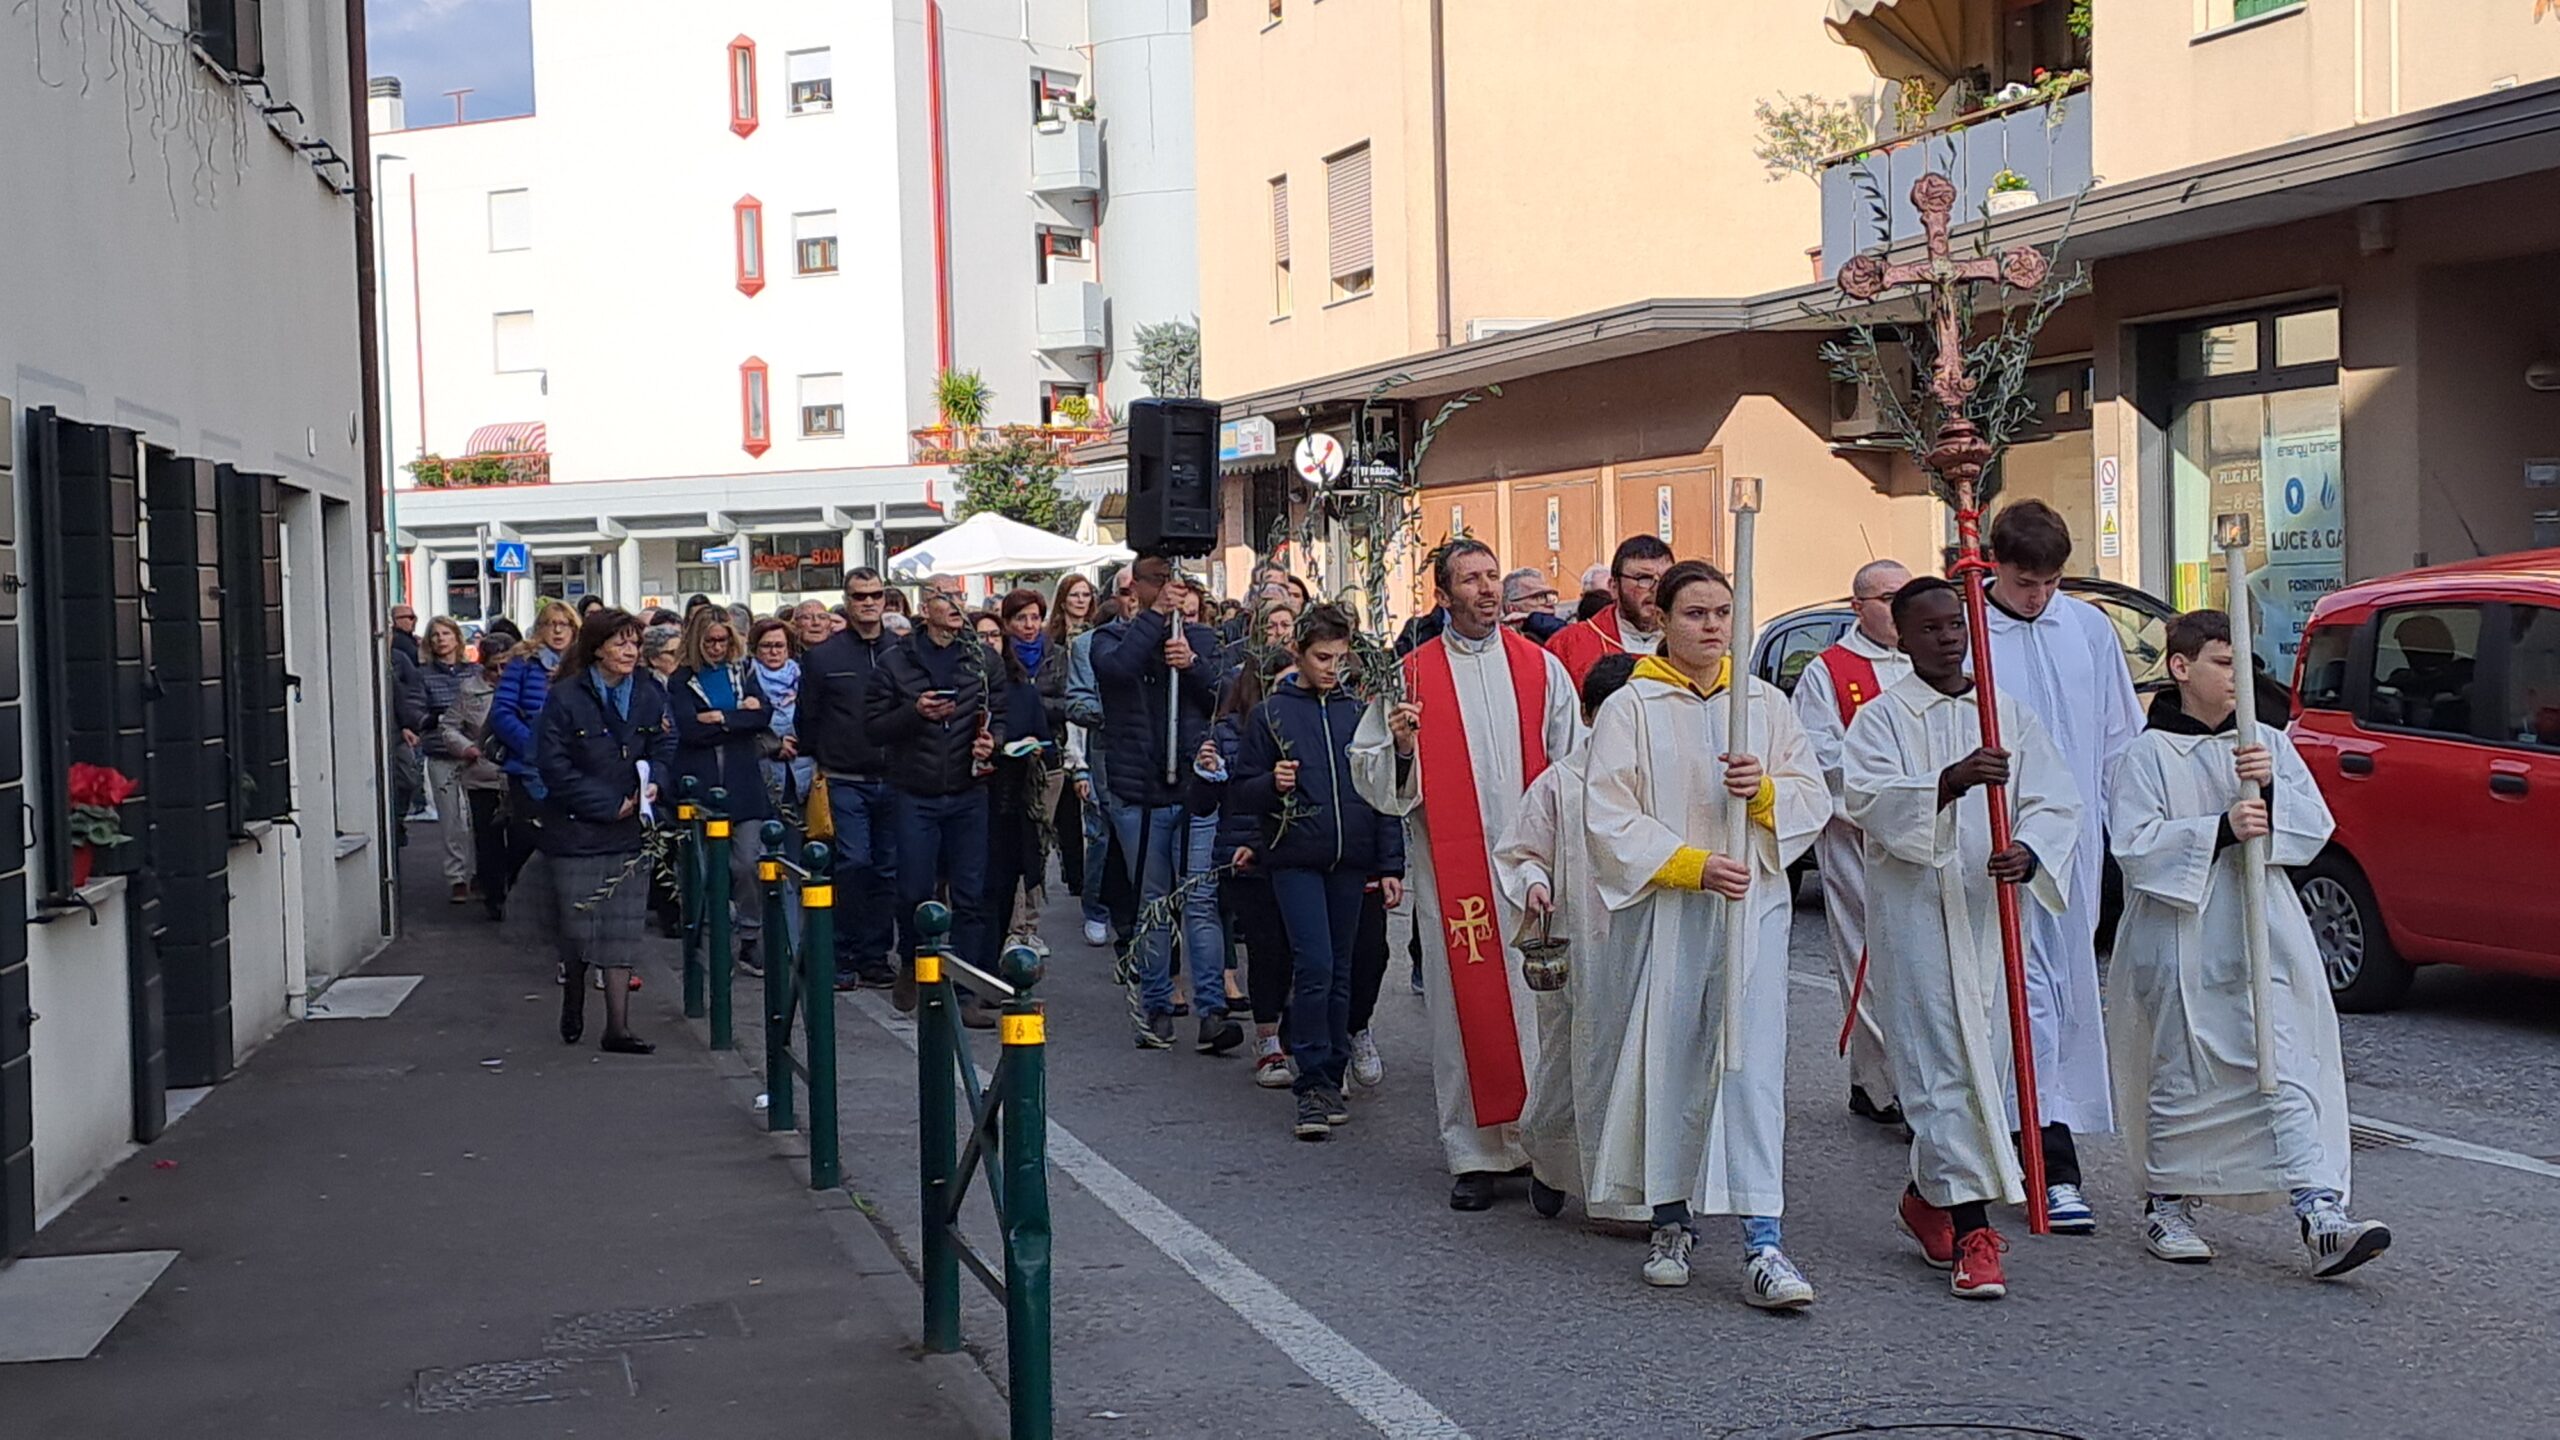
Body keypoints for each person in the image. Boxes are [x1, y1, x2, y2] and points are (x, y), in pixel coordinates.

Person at [2106, 610, 2388, 1277]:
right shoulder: (2146, 755)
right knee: (2186, 1067)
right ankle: (2168, 1202)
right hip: (2183, 935)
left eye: (2242, 663)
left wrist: (2266, 789)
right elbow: (2135, 847)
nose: (2238, 677)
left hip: (2262, 929)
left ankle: (2321, 1215)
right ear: (2181, 668)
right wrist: (2220, 830)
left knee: (2284, 1063)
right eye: (2222, 663)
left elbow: (2312, 827)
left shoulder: (2265, 743)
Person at [1574, 563, 1826, 1304]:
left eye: (1723, 612)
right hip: (1669, 914)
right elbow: (1608, 815)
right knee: (1670, 1058)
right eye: (1695, 613)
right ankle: (1670, 1218)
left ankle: (1764, 1239)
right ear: (1663, 619)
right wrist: (1688, 864)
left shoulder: (1765, 707)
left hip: (1750, 915)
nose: (1712, 626)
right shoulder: (1631, 708)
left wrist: (1768, 794)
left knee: (1747, 1069)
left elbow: (1811, 794)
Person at [1843, 577, 2082, 1301]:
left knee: (1985, 1063)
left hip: (1988, 914)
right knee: (1941, 1067)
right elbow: (1867, 800)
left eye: (1956, 625)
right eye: (1932, 628)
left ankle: (1929, 1196)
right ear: (1903, 638)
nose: (1949, 638)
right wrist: (1947, 782)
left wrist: (2031, 850)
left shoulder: (2004, 712)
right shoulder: (1881, 719)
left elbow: (2054, 798)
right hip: (1917, 919)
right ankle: (1976, 1231)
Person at [1352, 539, 1583, 1211]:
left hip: (1537, 872)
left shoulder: (1542, 670)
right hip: (1457, 877)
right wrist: (1400, 747)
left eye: (1491, 578)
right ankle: (1476, 1153)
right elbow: (1375, 779)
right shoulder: (1411, 679)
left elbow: (1574, 768)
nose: (1485, 590)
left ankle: (1547, 1153)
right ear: (1443, 597)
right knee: (1463, 1011)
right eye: (1471, 581)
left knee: (1544, 1015)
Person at [1979, 499, 2142, 1233]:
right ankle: (2034, 1153)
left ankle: (2045, 1142)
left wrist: (2129, 831)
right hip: (1992, 841)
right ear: (1994, 567)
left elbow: (2116, 735)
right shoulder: (1968, 632)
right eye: (2023, 583)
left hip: (2074, 845)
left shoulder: (2087, 628)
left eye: (2048, 582)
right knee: (2008, 992)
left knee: (2062, 991)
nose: (2037, 597)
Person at [1230, 605, 1405, 1140]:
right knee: (1315, 966)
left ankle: (1331, 1069)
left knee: (1343, 968)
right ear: (1298, 656)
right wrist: (1271, 785)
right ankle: (1312, 1083)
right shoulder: (1272, 715)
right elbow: (1241, 789)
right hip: (1295, 856)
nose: (1333, 666)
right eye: (1321, 657)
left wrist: (1389, 862)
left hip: (1349, 860)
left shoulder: (1358, 712)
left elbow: (1382, 793)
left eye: (1340, 656)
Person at [1490, 652, 1645, 1228]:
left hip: (1644, 942)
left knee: (1640, 1065)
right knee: (1570, 1064)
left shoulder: (1657, 778)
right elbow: (1524, 850)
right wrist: (1533, 884)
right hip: (1581, 942)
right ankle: (1551, 1161)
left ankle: (1634, 1192)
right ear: (1588, 714)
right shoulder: (1564, 781)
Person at [1091, 555, 1235, 1052]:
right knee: (1153, 901)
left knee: (1199, 899)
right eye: (1154, 586)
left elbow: (1223, 694)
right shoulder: (1108, 639)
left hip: (1193, 789)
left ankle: (1212, 1009)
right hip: (1139, 791)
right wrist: (1154, 620)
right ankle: (1156, 1004)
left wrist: (1190, 665)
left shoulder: (1199, 640)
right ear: (1136, 591)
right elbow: (1119, 670)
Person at [1792, 558, 1917, 1128]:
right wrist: (1890, 801)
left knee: (1920, 962)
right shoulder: (1830, 670)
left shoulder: (1931, 661)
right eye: (1885, 598)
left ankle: (1893, 1081)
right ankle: (1885, 1082)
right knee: (1868, 959)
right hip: (1859, 837)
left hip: (1926, 836)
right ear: (1856, 607)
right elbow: (1821, 754)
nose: (1897, 609)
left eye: (1904, 596)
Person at [535, 606, 675, 1054]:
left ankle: (617, 1027)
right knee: (578, 929)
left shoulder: (649, 691)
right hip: (576, 831)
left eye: (635, 642)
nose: (631, 650)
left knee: (622, 931)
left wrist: (654, 784)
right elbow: (552, 765)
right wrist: (605, 804)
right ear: (596, 648)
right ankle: (573, 988)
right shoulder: (566, 696)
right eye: (621, 642)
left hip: (630, 830)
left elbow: (666, 742)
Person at [866, 586, 1002, 1028]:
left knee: (971, 893)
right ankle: (912, 959)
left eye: (960, 598)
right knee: (913, 889)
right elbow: (873, 727)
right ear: (926, 610)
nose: (958, 606)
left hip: (968, 791)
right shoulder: (895, 660)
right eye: (947, 598)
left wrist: (993, 739)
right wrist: (914, 712)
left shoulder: (981, 659)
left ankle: (965, 993)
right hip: (914, 791)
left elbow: (1006, 709)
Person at [796, 569, 901, 991]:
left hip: (894, 776)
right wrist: (822, 755)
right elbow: (808, 717)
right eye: (860, 596)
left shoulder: (901, 651)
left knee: (887, 869)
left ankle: (875, 955)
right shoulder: (823, 657)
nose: (869, 603)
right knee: (853, 863)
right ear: (848, 600)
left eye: (876, 595)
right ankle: (841, 954)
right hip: (843, 776)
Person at [670, 606, 775, 975]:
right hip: (701, 779)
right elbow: (690, 728)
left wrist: (721, 718)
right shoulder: (683, 678)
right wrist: (738, 718)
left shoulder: (744, 671)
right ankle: (711, 940)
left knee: (748, 861)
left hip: (743, 779)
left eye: (723, 640)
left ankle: (750, 936)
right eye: (710, 640)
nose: (717, 647)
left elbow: (763, 715)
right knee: (705, 866)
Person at [487, 600, 578, 918]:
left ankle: (561, 907)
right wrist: (533, 746)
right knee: (527, 837)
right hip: (528, 766)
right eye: (550, 624)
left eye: (563, 624)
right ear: (539, 629)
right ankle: (520, 906)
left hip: (572, 766)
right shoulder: (523, 663)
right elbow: (502, 713)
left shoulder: (582, 665)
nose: (556, 630)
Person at [980, 601, 1057, 969]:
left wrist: (1032, 749)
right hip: (970, 797)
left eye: (994, 636)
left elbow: (1046, 741)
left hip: (1012, 797)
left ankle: (997, 954)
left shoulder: (1023, 689)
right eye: (981, 636)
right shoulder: (960, 688)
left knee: (1004, 881)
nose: (989, 643)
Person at [1065, 565, 1136, 948]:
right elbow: (1076, 703)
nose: (1134, 599)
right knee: (1105, 839)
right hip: (1109, 757)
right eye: (1126, 592)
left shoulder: (1172, 640)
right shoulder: (1088, 645)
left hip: (1156, 765)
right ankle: (1101, 911)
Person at [437, 635, 512, 922]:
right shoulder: (470, 691)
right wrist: (464, 747)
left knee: (518, 838)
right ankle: (494, 897)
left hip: (518, 775)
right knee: (488, 838)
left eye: (506, 666)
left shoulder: (525, 688)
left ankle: (515, 892)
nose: (500, 675)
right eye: (494, 668)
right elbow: (449, 726)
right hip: (483, 775)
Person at [1546, 536, 1673, 688]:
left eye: (1665, 579)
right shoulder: (1568, 644)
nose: (1656, 589)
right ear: (1614, 587)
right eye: (1643, 578)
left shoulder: (1693, 641)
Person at [417, 617, 478, 903]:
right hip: (441, 753)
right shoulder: (423, 674)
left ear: (457, 638)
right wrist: (440, 718)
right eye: (435, 635)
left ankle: (480, 871)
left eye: (446, 633)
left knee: (477, 816)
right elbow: (418, 712)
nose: (441, 639)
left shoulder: (474, 672)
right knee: (451, 819)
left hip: (475, 752)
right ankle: (457, 876)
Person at [1500, 568, 1571, 644]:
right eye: (1538, 597)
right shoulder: (1507, 643)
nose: (1549, 603)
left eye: (1549, 595)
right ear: (1512, 609)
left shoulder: (1563, 631)